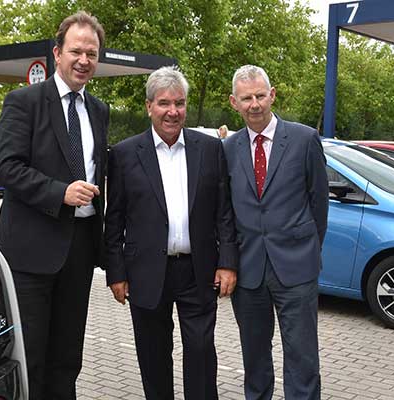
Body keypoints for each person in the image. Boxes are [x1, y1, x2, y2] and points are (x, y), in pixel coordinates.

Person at [0, 11, 109, 400]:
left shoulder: (98, 110)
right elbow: (7, 168)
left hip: (79, 249)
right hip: (31, 252)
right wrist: (59, 192)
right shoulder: (24, 101)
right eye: (76, 51)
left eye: (91, 53)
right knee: (32, 356)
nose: (84, 60)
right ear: (57, 53)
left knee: (67, 356)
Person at [104, 66, 238, 400]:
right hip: (146, 272)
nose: (172, 111)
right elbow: (114, 219)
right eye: (164, 103)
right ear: (149, 106)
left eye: (179, 103)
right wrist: (115, 273)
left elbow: (224, 211)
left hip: (199, 271)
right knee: (153, 355)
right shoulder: (123, 155)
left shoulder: (209, 149)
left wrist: (228, 262)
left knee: (201, 352)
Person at [223, 65, 329, 400]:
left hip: (296, 269)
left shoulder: (303, 139)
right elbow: (225, 211)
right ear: (233, 103)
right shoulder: (227, 149)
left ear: (272, 95)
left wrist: (309, 248)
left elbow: (319, 203)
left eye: (259, 96)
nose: (254, 104)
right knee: (254, 359)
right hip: (249, 269)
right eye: (246, 98)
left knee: (302, 359)